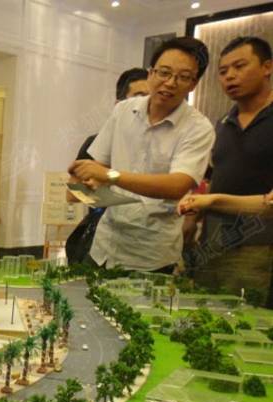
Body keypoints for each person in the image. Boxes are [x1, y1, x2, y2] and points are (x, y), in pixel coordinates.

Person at [68, 37, 215, 273]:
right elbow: (94, 171)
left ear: (193, 84)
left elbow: (177, 186)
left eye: (183, 77)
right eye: (164, 73)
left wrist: (110, 175)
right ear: (150, 73)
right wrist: (82, 181)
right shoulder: (123, 110)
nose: (170, 83)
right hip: (104, 247)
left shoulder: (198, 128)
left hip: (150, 256)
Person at [182, 36, 273, 306]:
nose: (229, 76)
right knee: (202, 313)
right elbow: (214, 178)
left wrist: (213, 201)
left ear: (267, 67)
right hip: (212, 242)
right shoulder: (223, 123)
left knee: (244, 320)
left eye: (239, 66)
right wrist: (194, 218)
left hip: (258, 246)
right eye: (223, 71)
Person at [66, 68, 149, 264]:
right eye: (139, 96)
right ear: (119, 104)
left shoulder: (160, 145)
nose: (146, 104)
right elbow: (73, 194)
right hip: (101, 240)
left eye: (150, 97)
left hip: (147, 246)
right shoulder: (97, 142)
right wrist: (112, 190)